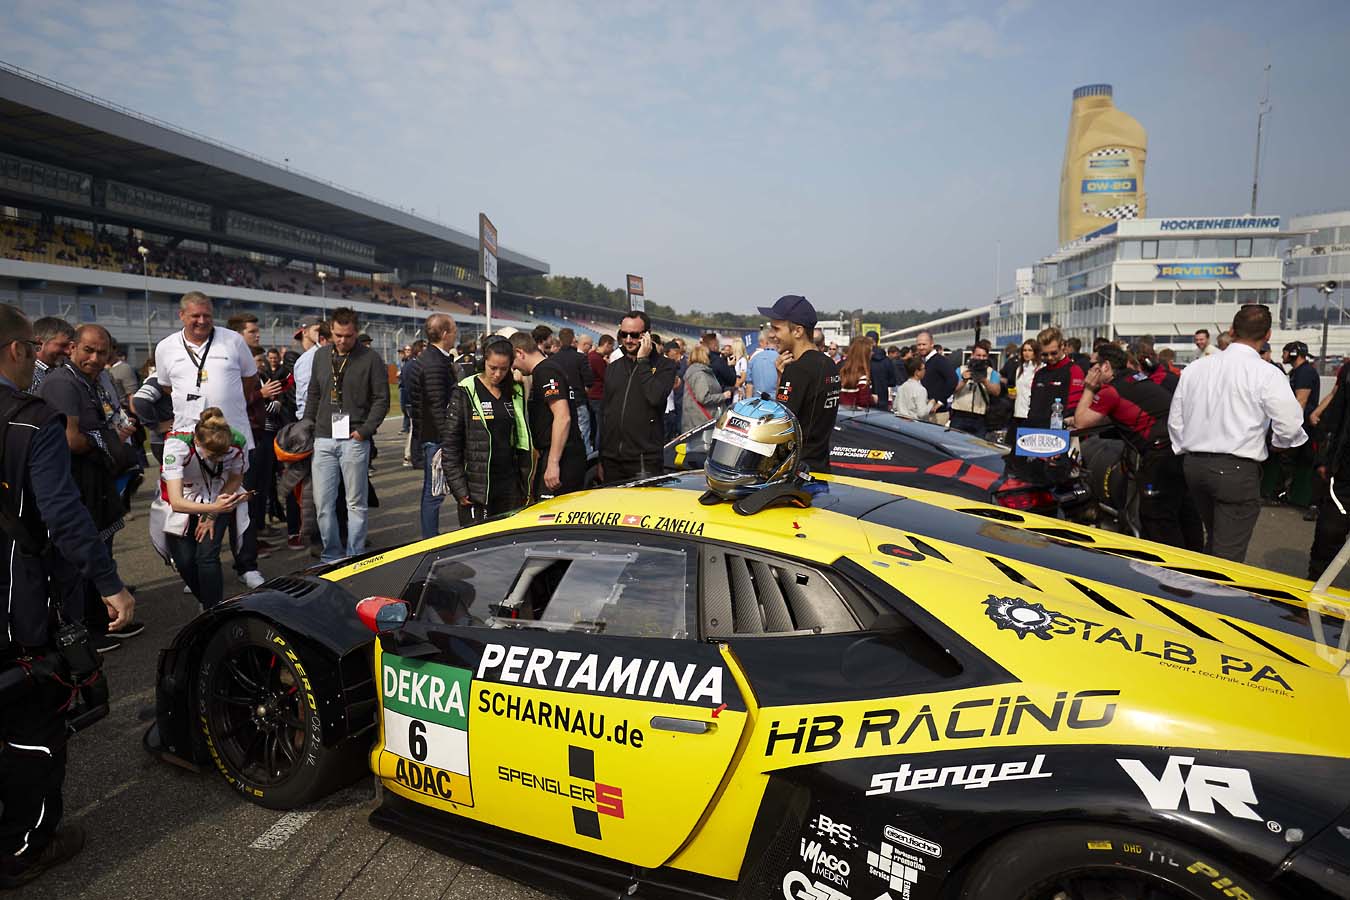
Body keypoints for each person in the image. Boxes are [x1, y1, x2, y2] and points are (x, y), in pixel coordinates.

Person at [0, 303, 135, 891]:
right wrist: (110, 582)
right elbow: (62, 513)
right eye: (31, 350)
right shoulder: (32, 420)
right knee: (33, 728)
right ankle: (24, 848)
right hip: (18, 603)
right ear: (17, 350)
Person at [1168, 304, 1307, 562]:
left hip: (1195, 465)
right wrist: (1279, 443)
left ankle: (1202, 583)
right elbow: (1290, 424)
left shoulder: (1196, 368)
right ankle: (1210, 588)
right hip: (1235, 469)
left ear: (1232, 330)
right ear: (1267, 335)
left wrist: (1186, 449)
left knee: (1216, 540)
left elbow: (1176, 419)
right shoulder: (1267, 373)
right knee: (1227, 555)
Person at [36, 324, 142, 652]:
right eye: (88, 350)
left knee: (99, 549)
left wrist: (107, 443)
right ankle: (85, 633)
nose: (95, 358)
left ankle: (101, 620)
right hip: (77, 481)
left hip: (97, 480)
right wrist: (106, 445)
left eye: (102, 352)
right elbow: (71, 439)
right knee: (80, 559)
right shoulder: (62, 382)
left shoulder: (89, 380)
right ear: (72, 348)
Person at [154, 292, 265, 587]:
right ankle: (199, 568)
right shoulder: (165, 347)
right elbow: (166, 386)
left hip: (234, 438)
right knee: (193, 502)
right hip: (191, 442)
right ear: (182, 316)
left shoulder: (233, 340)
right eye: (195, 316)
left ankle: (247, 566)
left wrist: (227, 406)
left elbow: (249, 380)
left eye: (207, 315)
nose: (202, 321)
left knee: (240, 501)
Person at [1073, 345, 1193, 548]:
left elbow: (1081, 422)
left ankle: (1173, 566)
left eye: (1093, 366)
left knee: (1156, 517)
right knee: (1182, 512)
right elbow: (1124, 410)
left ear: (1105, 366)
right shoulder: (1134, 378)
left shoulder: (1111, 390)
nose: (1089, 371)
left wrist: (1089, 388)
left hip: (1160, 454)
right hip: (1179, 447)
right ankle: (1195, 557)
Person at [302, 307, 390, 563]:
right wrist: (308, 424)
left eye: (348, 336)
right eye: (338, 335)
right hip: (323, 438)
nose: (342, 340)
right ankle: (331, 554)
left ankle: (355, 553)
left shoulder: (371, 358)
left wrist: (365, 431)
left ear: (356, 332)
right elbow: (314, 393)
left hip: (354, 439)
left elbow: (382, 399)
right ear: (330, 330)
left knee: (355, 503)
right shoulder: (320, 356)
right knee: (323, 503)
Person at [150, 408, 248, 610]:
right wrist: (213, 507)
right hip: (183, 499)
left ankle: (214, 609)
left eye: (222, 455)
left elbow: (236, 478)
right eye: (212, 455)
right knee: (184, 561)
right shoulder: (177, 444)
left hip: (219, 494)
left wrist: (212, 513)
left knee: (207, 556)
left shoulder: (237, 441)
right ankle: (206, 600)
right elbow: (177, 501)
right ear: (197, 441)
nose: (217, 460)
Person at [444, 336, 533, 526]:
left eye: (504, 369)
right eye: (493, 367)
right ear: (482, 361)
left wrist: (523, 481)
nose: (498, 374)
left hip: (509, 485)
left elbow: (522, 437)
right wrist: (459, 488)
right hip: (476, 488)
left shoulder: (515, 390)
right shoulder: (465, 390)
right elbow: (450, 446)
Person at [227, 313, 285, 562]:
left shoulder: (250, 365)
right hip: (241, 437)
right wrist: (261, 394)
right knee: (244, 494)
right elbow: (231, 400)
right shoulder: (231, 364)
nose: (258, 335)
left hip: (259, 435)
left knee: (258, 490)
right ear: (238, 335)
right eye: (252, 331)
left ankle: (254, 536)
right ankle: (244, 549)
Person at [760, 294, 840, 474]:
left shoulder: (797, 369)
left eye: (776, 328)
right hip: (820, 467)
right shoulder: (829, 364)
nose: (771, 335)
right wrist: (782, 377)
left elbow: (780, 426)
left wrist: (782, 379)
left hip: (796, 472)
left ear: (797, 331)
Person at [599, 311, 677, 483]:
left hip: (644, 460)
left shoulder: (665, 366)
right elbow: (605, 412)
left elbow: (655, 397)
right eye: (623, 334)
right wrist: (601, 456)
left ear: (647, 335)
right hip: (612, 460)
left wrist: (643, 361)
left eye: (634, 335)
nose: (628, 340)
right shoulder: (613, 367)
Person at [511, 331, 587, 497]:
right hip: (558, 453)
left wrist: (552, 463)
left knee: (551, 510)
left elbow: (562, 417)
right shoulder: (545, 370)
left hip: (562, 456)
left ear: (519, 353)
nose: (514, 368)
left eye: (513, 362)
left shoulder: (546, 372)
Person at [414, 314, 461, 539]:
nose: (455, 335)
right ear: (444, 334)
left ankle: (430, 536)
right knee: (434, 492)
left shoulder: (436, 358)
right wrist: (448, 439)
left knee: (434, 491)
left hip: (434, 434)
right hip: (437, 437)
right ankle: (430, 538)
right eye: (453, 331)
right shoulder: (434, 362)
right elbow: (437, 405)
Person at [1309, 362, 1350, 579]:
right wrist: (1324, 459)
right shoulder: (1348, 371)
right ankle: (1314, 586)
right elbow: (1336, 413)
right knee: (1328, 534)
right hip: (1343, 474)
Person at [1283, 340, 1321, 519]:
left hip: (1303, 425)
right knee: (1292, 460)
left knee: (1305, 461)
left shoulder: (1305, 372)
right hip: (1300, 423)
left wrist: (1291, 425)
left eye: (1285, 352)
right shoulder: (1297, 371)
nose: (1282, 355)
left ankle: (1311, 502)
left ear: (1293, 353)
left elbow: (1301, 400)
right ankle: (1288, 493)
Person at [1026, 326, 1086, 428]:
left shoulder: (1074, 371)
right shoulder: (1039, 374)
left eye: (1054, 353)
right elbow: (1033, 405)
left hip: (1060, 430)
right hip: (1035, 429)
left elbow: (1074, 408)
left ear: (1062, 346)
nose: (1050, 357)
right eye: (1045, 354)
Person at [681, 344, 734, 451]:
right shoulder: (700, 374)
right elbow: (703, 397)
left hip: (696, 419)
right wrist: (723, 396)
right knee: (701, 450)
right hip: (702, 421)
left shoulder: (694, 371)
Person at [552, 328, 595, 456]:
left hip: (558, 402)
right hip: (578, 401)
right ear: (573, 340)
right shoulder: (580, 358)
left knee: (561, 434)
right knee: (583, 434)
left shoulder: (553, 359)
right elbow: (589, 380)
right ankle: (585, 461)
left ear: (560, 341)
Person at [949, 342, 1003, 436]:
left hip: (980, 417)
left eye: (984, 356)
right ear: (972, 355)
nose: (981, 358)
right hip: (959, 415)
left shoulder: (992, 373)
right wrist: (964, 380)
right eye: (978, 355)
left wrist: (984, 381)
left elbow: (996, 392)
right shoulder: (961, 370)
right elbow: (952, 389)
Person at [913, 330, 957, 420]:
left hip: (937, 414)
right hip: (924, 411)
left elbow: (953, 380)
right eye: (919, 345)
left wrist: (940, 401)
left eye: (924, 344)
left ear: (932, 344)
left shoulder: (940, 361)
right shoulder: (921, 361)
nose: (921, 347)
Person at [28, 316, 74, 393]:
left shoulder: (65, 373)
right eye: (63, 345)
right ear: (39, 342)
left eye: (71, 346)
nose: (68, 352)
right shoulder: (28, 377)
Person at [586, 334, 611, 451]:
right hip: (598, 396)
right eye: (611, 346)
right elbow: (606, 377)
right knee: (601, 426)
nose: (611, 349)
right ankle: (598, 450)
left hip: (591, 395)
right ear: (606, 344)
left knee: (593, 425)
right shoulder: (597, 359)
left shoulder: (591, 356)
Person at [1008, 340, 1041, 430]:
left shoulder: (1040, 368)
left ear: (1035, 352)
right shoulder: (1019, 369)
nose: (1026, 353)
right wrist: (1012, 393)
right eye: (1024, 350)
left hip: (1031, 412)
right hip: (1018, 411)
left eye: (1030, 350)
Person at [895, 356, 935, 421]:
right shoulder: (921, 390)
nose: (925, 371)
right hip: (914, 422)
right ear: (917, 372)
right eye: (923, 369)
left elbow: (895, 406)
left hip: (901, 421)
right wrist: (931, 403)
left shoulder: (902, 387)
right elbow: (921, 413)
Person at [838, 337, 874, 408]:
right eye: (870, 351)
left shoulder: (843, 373)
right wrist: (873, 399)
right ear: (865, 355)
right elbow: (864, 402)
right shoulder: (863, 378)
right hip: (857, 413)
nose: (872, 353)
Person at [745, 328, 780, 399]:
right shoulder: (781, 359)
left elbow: (749, 385)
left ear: (766, 342)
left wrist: (748, 402)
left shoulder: (754, 359)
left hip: (757, 401)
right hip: (775, 401)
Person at [865, 331, 896, 409]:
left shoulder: (865, 360)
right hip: (883, 399)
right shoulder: (887, 360)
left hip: (868, 400)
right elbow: (892, 382)